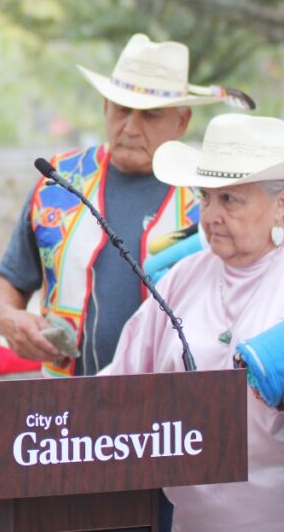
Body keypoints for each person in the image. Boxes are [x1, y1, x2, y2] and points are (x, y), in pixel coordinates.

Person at [0, 34, 253, 378]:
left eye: (150, 116)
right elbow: (9, 280)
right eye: (122, 110)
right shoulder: (60, 181)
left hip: (174, 408)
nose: (130, 127)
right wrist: (9, 319)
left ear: (182, 122)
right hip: (66, 407)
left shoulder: (212, 195)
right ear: (104, 107)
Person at [100, 113, 284, 531]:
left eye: (230, 200)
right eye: (206, 197)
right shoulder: (184, 277)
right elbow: (118, 383)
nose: (211, 214)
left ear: (280, 206)